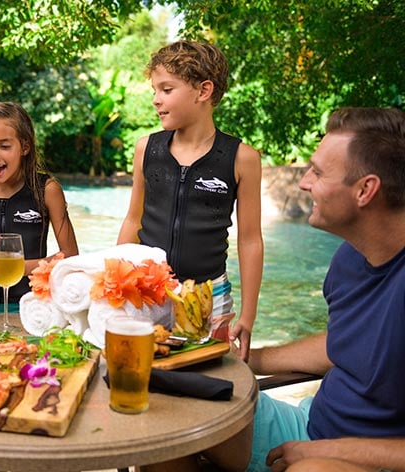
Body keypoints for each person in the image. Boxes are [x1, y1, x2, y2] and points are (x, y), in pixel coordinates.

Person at [151, 107, 405, 472]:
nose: (304, 183)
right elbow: (347, 343)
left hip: (365, 459)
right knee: (169, 400)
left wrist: (334, 453)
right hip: (307, 426)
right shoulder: (349, 261)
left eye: (317, 172)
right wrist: (244, 359)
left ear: (366, 190)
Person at [116, 40, 264, 361]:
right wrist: (114, 281)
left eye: (166, 90)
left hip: (210, 299)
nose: (156, 100)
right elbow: (133, 219)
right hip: (147, 294)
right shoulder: (147, 149)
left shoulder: (242, 158)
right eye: (154, 90)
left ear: (203, 90)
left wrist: (248, 317)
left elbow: (250, 240)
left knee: (205, 383)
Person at [0, 101, 79, 315]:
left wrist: (18, 267)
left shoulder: (47, 190)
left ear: (25, 147)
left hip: (33, 306)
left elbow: (70, 255)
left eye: (4, 146)